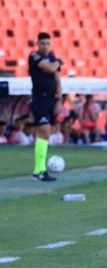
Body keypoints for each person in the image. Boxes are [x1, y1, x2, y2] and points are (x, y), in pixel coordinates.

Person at [28, 32, 63, 181]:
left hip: (51, 99)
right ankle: (39, 170)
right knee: (44, 131)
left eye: (48, 43)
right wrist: (58, 63)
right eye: (43, 43)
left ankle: (40, 170)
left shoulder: (52, 57)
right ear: (38, 44)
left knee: (45, 134)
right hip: (39, 99)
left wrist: (59, 99)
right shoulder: (34, 56)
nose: (45, 46)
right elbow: (49, 68)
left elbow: (57, 79)